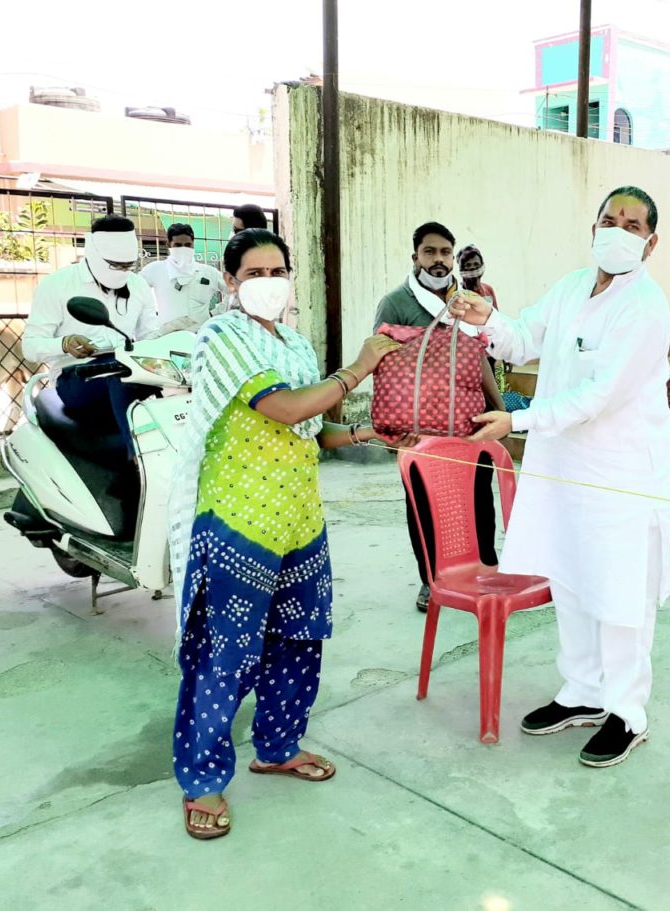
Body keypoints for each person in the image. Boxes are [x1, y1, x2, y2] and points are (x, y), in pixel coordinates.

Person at [167, 228, 403, 839]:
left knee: (300, 640)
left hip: (299, 522)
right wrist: (359, 367)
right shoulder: (220, 337)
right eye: (254, 273)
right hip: (239, 522)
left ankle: (277, 747)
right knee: (224, 654)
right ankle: (203, 781)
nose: (268, 283)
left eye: (278, 272)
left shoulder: (294, 344)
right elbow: (285, 408)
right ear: (230, 281)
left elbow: (311, 431)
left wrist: (364, 434)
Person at [449, 187, 670, 767]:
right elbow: (524, 339)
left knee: (621, 593)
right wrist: (488, 321)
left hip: (619, 475)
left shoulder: (645, 306)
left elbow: (599, 395)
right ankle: (582, 691)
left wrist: (518, 419)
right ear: (593, 228)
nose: (617, 231)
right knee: (573, 577)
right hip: (562, 470)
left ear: (651, 242)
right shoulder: (570, 288)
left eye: (632, 225)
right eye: (610, 220)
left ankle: (627, 712)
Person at [373, 222, 504, 613]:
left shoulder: (467, 302)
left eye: (445, 252)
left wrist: (499, 409)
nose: (438, 260)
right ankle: (431, 580)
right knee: (424, 505)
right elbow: (380, 362)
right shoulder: (396, 304)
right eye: (429, 251)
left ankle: (483, 572)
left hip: (468, 422)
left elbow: (479, 359)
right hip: (421, 428)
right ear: (415, 256)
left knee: (479, 501)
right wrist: (390, 426)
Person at [21, 214, 158, 456]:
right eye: (116, 265)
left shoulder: (138, 286)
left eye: (128, 265)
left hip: (128, 367)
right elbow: (30, 347)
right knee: (119, 374)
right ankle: (138, 462)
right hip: (75, 377)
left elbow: (150, 336)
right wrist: (64, 344)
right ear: (94, 252)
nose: (123, 272)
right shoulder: (57, 285)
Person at [140, 223, 228, 332]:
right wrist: (148, 321)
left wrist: (215, 314)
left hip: (200, 335)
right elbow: (135, 292)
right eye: (178, 245)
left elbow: (234, 292)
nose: (183, 249)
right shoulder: (155, 269)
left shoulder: (208, 272)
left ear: (193, 244)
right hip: (166, 335)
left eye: (187, 245)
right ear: (169, 244)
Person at [457, 245, 498, 310]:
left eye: (476, 264)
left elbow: (496, 315)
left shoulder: (488, 289)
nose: (473, 267)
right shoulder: (457, 293)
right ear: (461, 270)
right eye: (468, 265)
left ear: (482, 266)